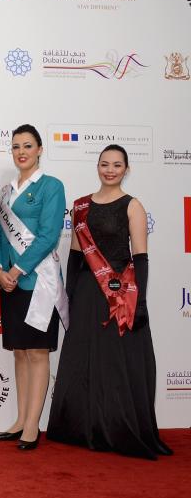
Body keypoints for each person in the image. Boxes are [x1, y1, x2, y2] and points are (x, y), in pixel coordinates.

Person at [48, 145, 172, 460]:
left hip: (121, 296)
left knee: (119, 364)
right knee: (86, 363)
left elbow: (141, 258)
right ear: (98, 166)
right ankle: (84, 427)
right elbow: (76, 257)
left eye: (117, 165)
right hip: (90, 295)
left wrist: (139, 302)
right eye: (105, 164)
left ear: (126, 169)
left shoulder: (133, 206)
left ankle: (119, 428)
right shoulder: (81, 207)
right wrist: (72, 296)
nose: (110, 169)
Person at [0, 125, 68, 451]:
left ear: (39, 149)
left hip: (39, 283)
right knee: (20, 353)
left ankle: (33, 425)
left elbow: (50, 235)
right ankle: (21, 419)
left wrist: (18, 269)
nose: (21, 151)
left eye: (27, 145)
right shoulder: (5, 192)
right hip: (10, 284)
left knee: (36, 353)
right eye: (16, 146)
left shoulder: (51, 186)